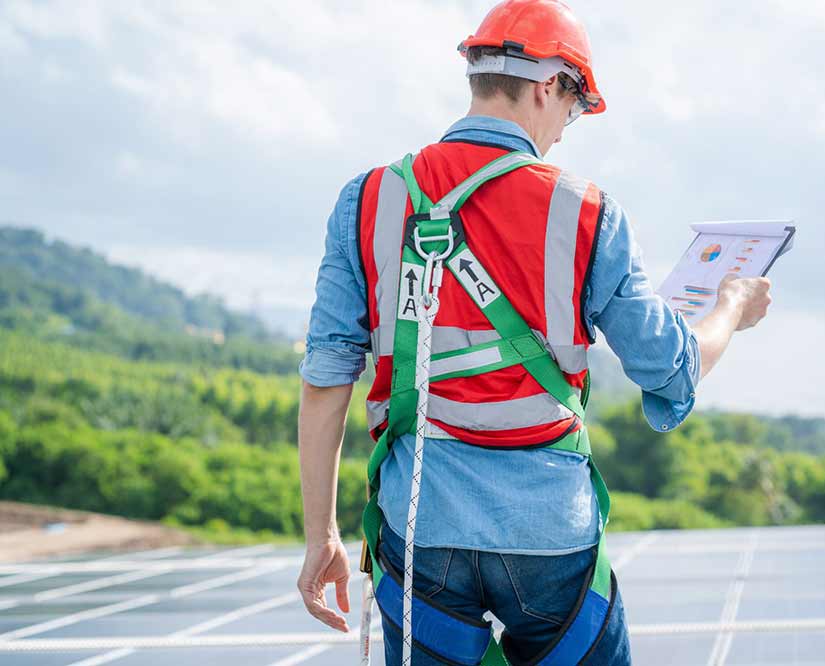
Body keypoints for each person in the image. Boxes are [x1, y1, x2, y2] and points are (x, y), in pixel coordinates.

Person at [295, 1, 772, 664]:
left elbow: (326, 380)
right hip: (549, 533)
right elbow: (672, 368)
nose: (567, 130)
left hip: (419, 528)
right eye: (575, 109)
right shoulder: (587, 210)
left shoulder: (367, 198)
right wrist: (731, 306)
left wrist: (320, 535)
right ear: (550, 86)